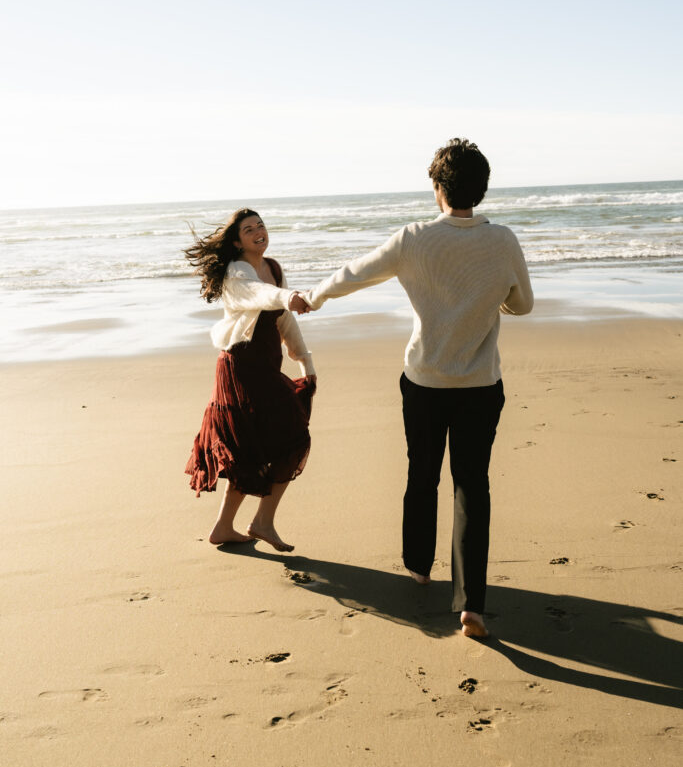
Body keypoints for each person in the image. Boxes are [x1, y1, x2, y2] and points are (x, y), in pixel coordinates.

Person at [305, 139, 533, 638]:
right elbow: (524, 304)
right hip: (479, 384)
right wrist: (496, 302)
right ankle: (471, 604)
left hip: (425, 382)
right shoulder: (503, 240)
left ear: (437, 188)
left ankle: (419, 566)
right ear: (483, 190)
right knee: (472, 484)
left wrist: (315, 298)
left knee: (422, 471)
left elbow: (356, 273)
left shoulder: (413, 239)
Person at [184, 208, 316, 553]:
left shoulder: (272, 267)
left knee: (254, 447)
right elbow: (262, 296)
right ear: (237, 240)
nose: (259, 231)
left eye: (261, 226)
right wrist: (287, 296)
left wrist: (304, 360)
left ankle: (224, 527)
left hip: (266, 365)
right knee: (288, 438)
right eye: (249, 229)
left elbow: (282, 319)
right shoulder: (236, 273)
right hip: (240, 367)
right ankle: (261, 522)